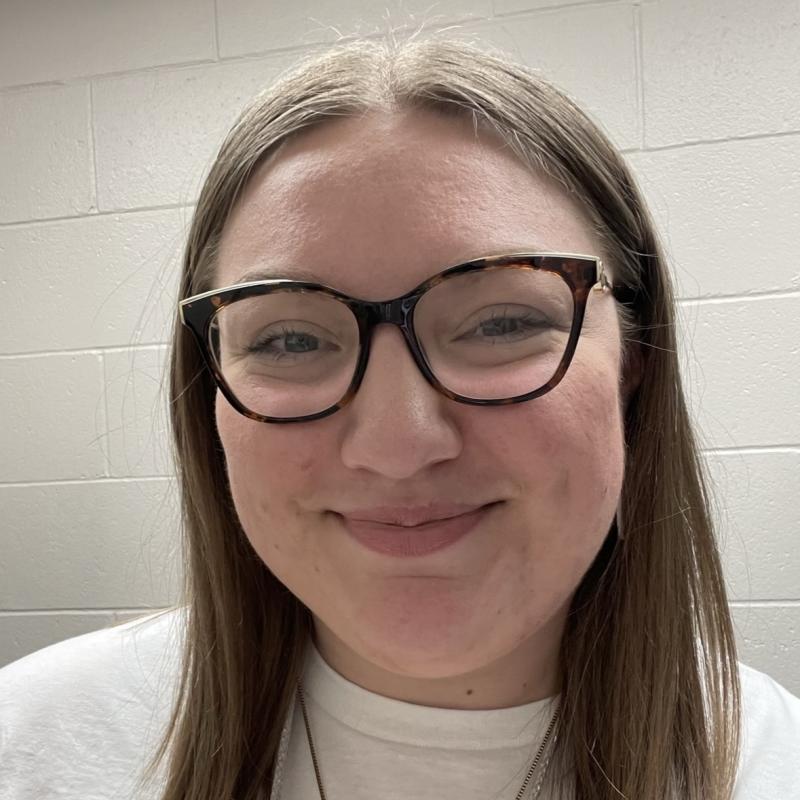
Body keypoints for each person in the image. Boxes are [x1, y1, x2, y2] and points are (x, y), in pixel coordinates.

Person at [1, 34, 799, 800]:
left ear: (634, 363)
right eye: (289, 338)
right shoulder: (32, 746)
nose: (398, 446)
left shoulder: (776, 767)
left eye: (501, 324)